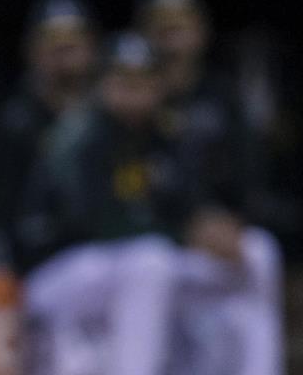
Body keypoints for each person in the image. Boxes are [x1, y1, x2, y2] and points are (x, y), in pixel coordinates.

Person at [135, 0, 283, 375]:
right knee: (149, 265)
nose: (172, 33)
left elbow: (252, 179)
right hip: (156, 246)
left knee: (260, 251)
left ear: (201, 29)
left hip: (214, 250)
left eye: (181, 20)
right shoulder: (130, 94)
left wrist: (235, 222)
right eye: (161, 22)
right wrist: (184, 227)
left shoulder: (223, 98)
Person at [19, 33, 188, 375]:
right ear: (103, 85)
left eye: (143, 82)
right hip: (56, 272)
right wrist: (178, 230)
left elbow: (188, 203)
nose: (134, 92)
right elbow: (93, 224)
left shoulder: (163, 135)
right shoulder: (82, 134)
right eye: (123, 82)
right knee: (152, 262)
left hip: (112, 273)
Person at [0, 0, 98, 269]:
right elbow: (5, 214)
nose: (65, 50)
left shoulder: (111, 113)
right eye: (52, 41)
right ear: (32, 50)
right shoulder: (17, 120)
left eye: (73, 41)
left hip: (106, 256)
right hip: (43, 265)